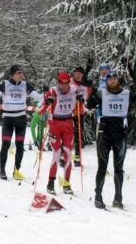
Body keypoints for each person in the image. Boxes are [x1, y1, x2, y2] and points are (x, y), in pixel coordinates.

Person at [86, 71, 130, 208]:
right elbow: (89, 106)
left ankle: (118, 197)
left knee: (119, 168)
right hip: (104, 132)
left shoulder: (126, 93)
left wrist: (131, 83)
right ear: (106, 81)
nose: (112, 81)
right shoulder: (101, 94)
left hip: (120, 133)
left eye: (114, 79)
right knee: (102, 167)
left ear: (119, 80)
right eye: (109, 79)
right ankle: (98, 196)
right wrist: (92, 95)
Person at [35, 71, 81, 196]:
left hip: (68, 124)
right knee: (56, 154)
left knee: (67, 154)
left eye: (66, 83)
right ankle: (51, 183)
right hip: (55, 124)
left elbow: (82, 108)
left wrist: (81, 101)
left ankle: (66, 183)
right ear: (58, 82)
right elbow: (40, 111)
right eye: (62, 83)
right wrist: (47, 102)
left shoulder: (74, 90)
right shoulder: (53, 91)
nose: (64, 86)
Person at [0, 64, 38, 181]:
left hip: (21, 118)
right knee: (5, 145)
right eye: (19, 73)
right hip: (8, 119)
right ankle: (2, 171)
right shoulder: (5, 84)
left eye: (22, 72)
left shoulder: (25, 85)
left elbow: (38, 97)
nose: (21, 75)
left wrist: (47, 94)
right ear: (12, 74)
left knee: (20, 146)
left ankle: (16, 170)